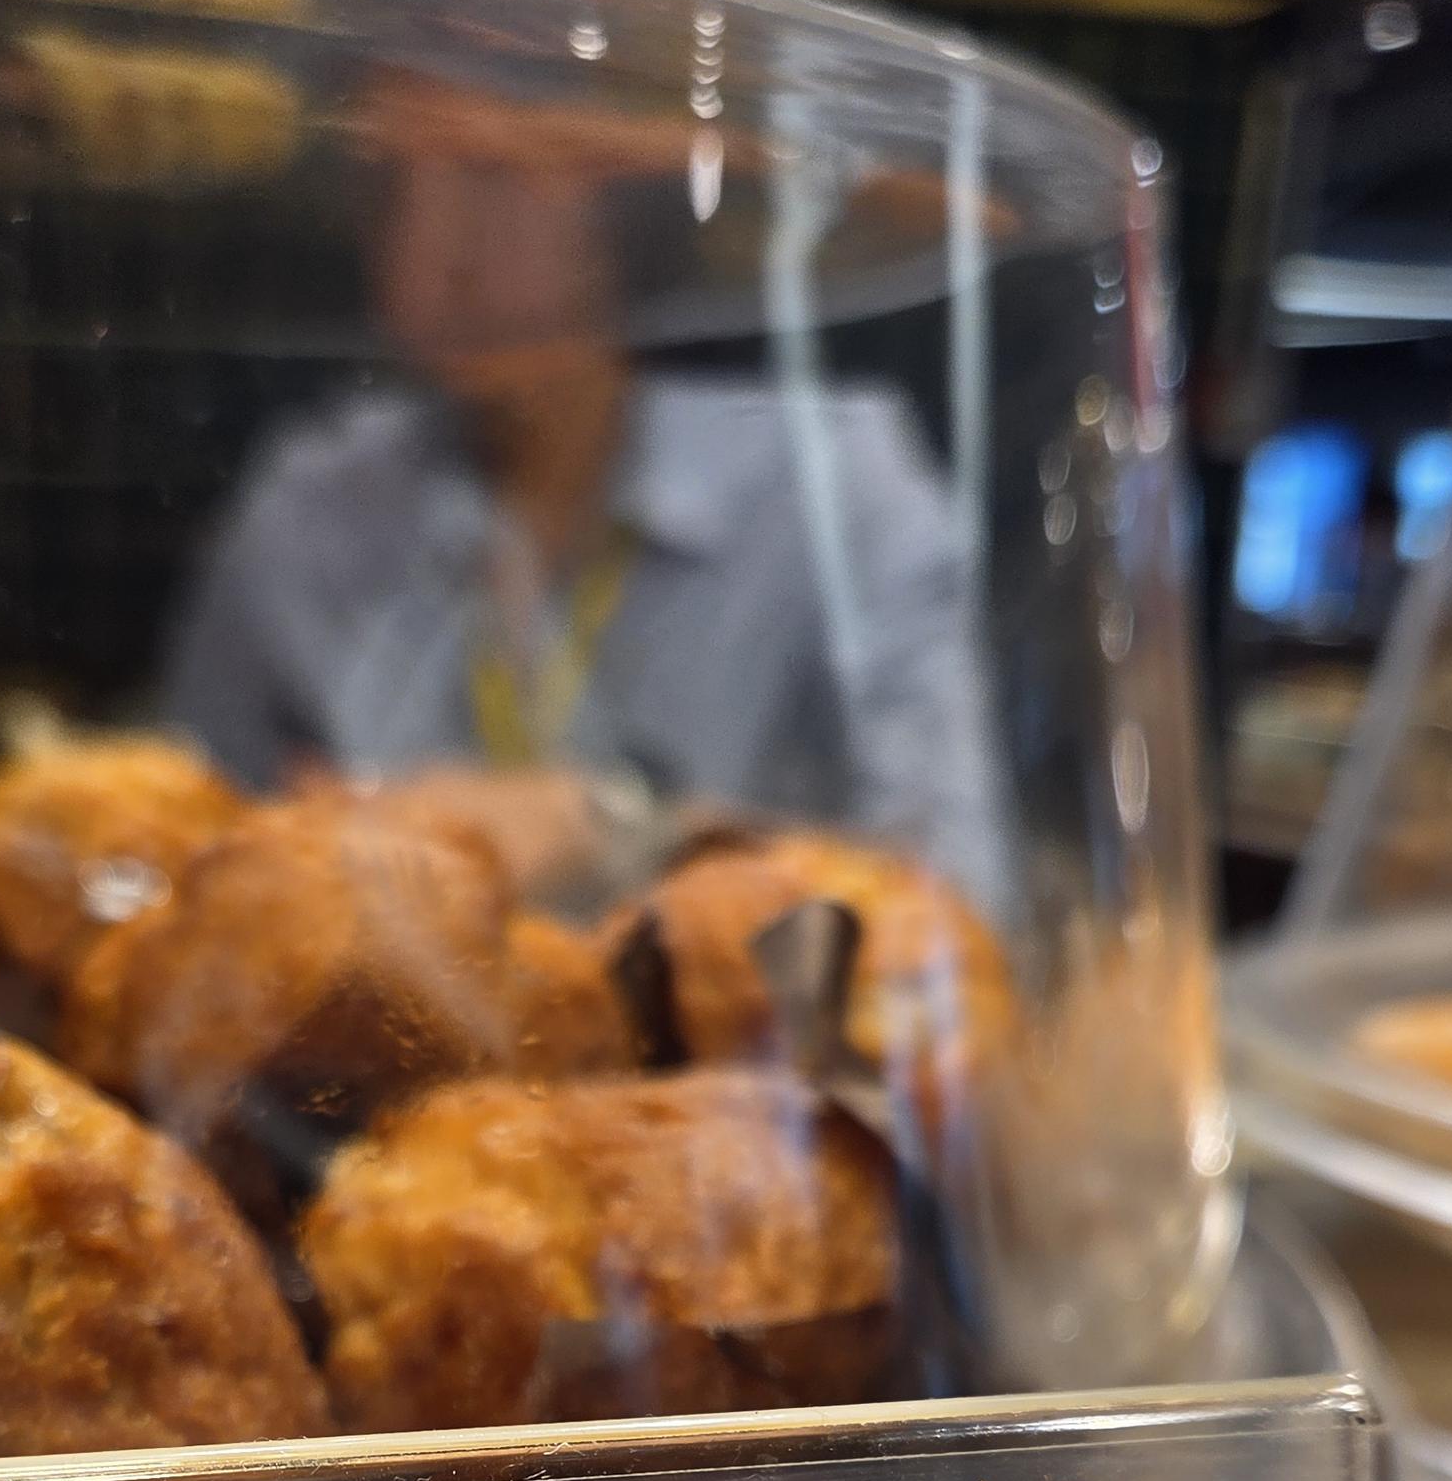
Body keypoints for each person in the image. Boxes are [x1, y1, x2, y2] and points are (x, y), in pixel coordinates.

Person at [162, 65, 1007, 906]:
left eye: (491, 176)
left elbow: (959, 896)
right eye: (390, 187)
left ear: (625, 198)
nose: (430, 243)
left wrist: (623, 830)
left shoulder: (834, 484)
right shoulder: (309, 507)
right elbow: (180, 859)